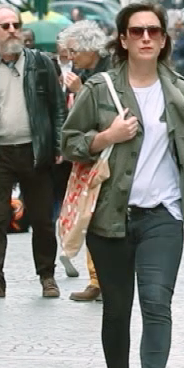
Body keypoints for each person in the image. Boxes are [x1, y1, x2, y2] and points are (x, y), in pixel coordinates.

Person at [60, 1, 184, 368]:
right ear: (123, 40)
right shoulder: (98, 89)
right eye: (137, 31)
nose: (146, 37)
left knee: (157, 303)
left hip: (163, 214)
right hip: (111, 217)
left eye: (154, 31)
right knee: (118, 310)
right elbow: (69, 142)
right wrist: (106, 137)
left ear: (163, 40)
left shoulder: (179, 92)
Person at [0, 4, 66, 299]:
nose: (12, 30)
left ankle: (47, 276)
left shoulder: (41, 64)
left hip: (35, 151)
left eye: (15, 25)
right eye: (5, 26)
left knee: (41, 219)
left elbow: (57, 109)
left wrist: (58, 145)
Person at [56, 20, 113, 302]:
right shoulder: (90, 72)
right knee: (90, 216)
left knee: (99, 217)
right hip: (91, 154)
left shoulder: (108, 72)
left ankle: (103, 278)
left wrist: (80, 91)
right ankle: (97, 278)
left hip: (106, 155)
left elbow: (103, 114)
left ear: (90, 48)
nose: (71, 57)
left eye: (74, 51)